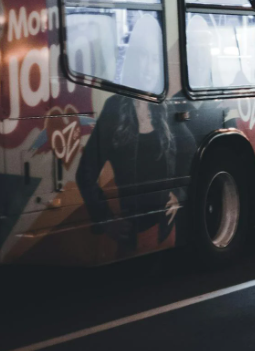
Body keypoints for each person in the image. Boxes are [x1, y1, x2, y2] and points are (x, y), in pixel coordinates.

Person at [77, 15, 193, 257]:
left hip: (167, 232)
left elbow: (191, 152)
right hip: (129, 239)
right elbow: (85, 174)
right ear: (132, 59)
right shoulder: (114, 108)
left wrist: (179, 193)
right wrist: (106, 220)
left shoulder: (165, 107)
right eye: (142, 56)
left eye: (154, 59)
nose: (148, 67)